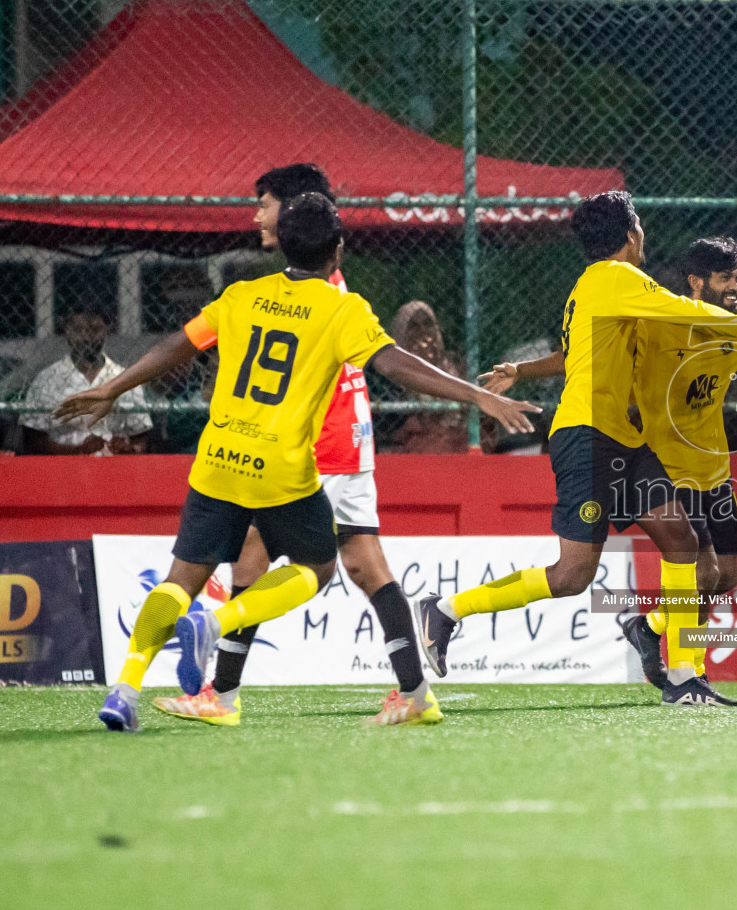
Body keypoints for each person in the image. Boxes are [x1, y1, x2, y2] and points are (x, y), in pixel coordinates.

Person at [56, 193, 538, 732]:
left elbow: (179, 345)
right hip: (282, 469)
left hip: (216, 460)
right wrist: (475, 395)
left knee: (178, 581)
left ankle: (125, 690)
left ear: (282, 243)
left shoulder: (241, 295)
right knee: (318, 567)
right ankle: (216, 626)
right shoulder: (341, 308)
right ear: (338, 249)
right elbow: (397, 364)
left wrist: (114, 388)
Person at [482, 235, 737, 699]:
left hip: (714, 469)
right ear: (698, 282)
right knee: (697, 573)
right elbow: (579, 357)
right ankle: (691, 674)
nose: (736, 286)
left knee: (725, 577)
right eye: (726, 278)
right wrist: (521, 369)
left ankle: (650, 627)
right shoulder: (660, 320)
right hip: (667, 466)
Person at [417, 193, 737, 708]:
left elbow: (572, 355)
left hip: (624, 439)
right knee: (572, 576)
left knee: (681, 540)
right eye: (640, 227)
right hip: (587, 437)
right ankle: (448, 609)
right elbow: (688, 311)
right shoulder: (619, 279)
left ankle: (683, 677)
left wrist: (521, 370)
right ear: (631, 234)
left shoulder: (593, 286)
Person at [161, 164, 444, 729]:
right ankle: (415, 694)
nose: (258, 216)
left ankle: (221, 691)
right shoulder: (322, 283)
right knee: (366, 568)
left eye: (265, 204)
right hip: (351, 438)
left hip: (320, 446)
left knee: (256, 557)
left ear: (292, 213)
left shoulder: (304, 290)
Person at [23, 306, 152, 455]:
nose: (86, 337)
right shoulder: (47, 379)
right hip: (63, 468)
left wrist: (128, 449)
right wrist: (77, 451)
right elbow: (33, 441)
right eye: (78, 330)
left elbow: (140, 437)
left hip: (114, 468)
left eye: (94, 330)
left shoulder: (124, 379)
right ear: (66, 332)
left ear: (107, 330)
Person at [384, 300, 469, 453]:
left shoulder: (455, 364)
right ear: (401, 331)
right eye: (414, 326)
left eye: (427, 324)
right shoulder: (390, 373)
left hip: (455, 440)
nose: (422, 331)